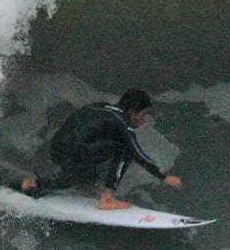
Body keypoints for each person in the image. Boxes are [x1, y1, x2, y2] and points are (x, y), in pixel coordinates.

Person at [19, 88, 183, 210]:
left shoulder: (100, 106)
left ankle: (36, 183)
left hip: (57, 147)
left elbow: (76, 123)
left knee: (87, 175)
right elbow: (138, 154)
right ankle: (108, 198)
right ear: (132, 112)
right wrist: (164, 176)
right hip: (74, 153)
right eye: (143, 114)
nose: (144, 120)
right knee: (125, 149)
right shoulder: (123, 124)